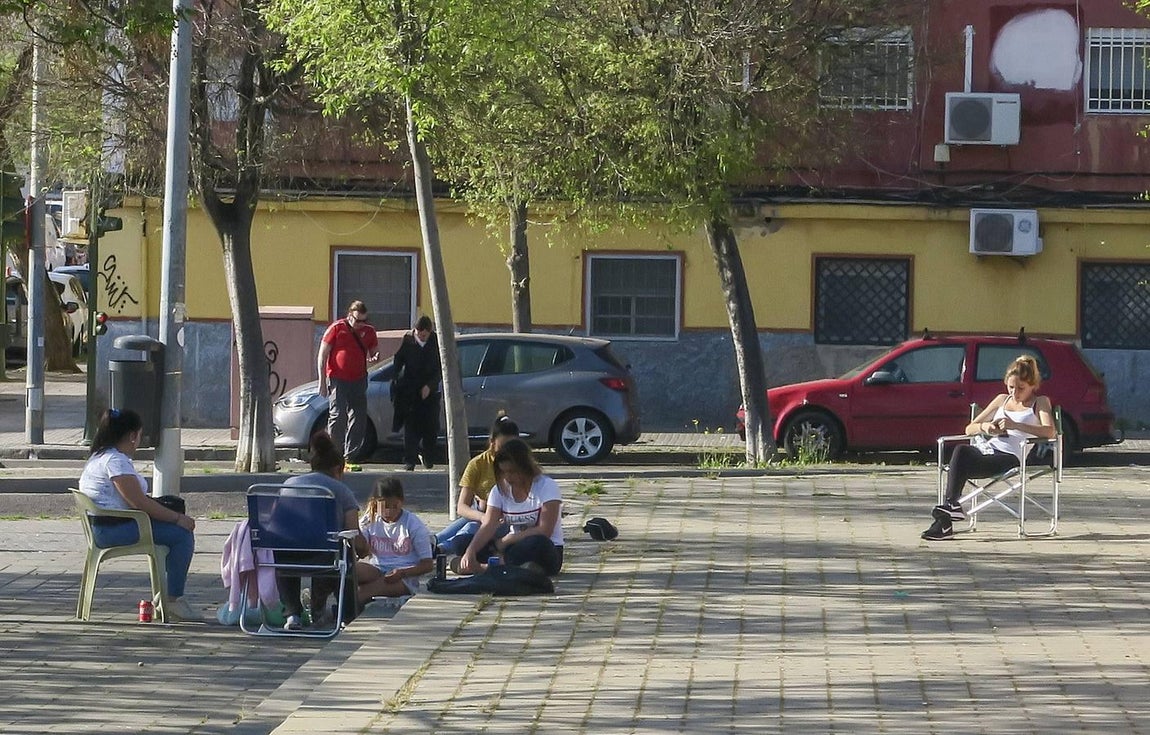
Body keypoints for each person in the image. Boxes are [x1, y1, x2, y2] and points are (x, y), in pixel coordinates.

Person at [78, 408, 199, 622]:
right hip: (113, 530)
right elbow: (138, 502)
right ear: (133, 435)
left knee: (174, 528)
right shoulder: (116, 461)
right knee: (181, 536)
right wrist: (177, 518)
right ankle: (171, 599)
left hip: (105, 526)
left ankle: (167, 594)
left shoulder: (99, 456)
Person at [921, 355, 1056, 541]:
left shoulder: (1039, 402)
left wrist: (1015, 425)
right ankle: (951, 508)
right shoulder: (1001, 400)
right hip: (988, 450)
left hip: (1010, 457)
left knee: (961, 464)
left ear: (1033, 385)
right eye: (1011, 387)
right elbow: (970, 428)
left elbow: (1049, 432)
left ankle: (944, 521)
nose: (1015, 393)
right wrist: (988, 427)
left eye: (1021, 388)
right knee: (961, 450)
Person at [279, 431, 361, 630]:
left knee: (286, 547)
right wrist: (364, 549)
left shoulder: (288, 485)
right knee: (344, 551)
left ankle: (293, 614)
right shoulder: (341, 491)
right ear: (337, 469)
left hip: (286, 556)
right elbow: (354, 533)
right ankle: (348, 613)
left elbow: (279, 521)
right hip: (324, 556)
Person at [459, 438, 564, 577]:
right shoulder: (499, 490)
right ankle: (506, 566)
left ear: (525, 467)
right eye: (504, 472)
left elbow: (544, 530)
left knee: (537, 543)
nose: (508, 477)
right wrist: (470, 551)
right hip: (509, 549)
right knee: (463, 542)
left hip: (545, 549)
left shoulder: (547, 486)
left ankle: (489, 567)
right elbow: (489, 525)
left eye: (512, 471)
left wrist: (508, 539)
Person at [435, 412, 518, 557]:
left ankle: (440, 546)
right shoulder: (477, 464)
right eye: (503, 446)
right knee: (472, 520)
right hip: (484, 516)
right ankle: (434, 543)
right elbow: (462, 507)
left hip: (508, 519)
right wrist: (482, 516)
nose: (507, 451)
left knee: (471, 527)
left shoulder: (521, 464)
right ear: (492, 442)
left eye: (512, 446)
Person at [317, 299, 379, 463]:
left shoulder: (369, 331)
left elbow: (374, 351)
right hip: (337, 379)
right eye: (357, 320)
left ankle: (350, 456)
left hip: (358, 379)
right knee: (338, 416)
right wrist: (322, 382)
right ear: (349, 315)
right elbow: (322, 356)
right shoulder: (337, 328)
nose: (360, 324)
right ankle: (333, 454)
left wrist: (374, 357)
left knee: (359, 418)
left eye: (364, 321)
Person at [356, 478, 434, 602]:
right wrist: (359, 530)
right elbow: (361, 552)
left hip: (404, 577)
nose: (390, 511)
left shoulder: (413, 524)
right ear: (375, 503)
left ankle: (347, 613)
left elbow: (428, 565)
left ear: (401, 502)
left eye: (395, 506)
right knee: (350, 572)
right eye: (385, 506)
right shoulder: (369, 521)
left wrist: (402, 572)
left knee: (363, 592)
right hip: (378, 568)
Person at [391, 314, 441, 471]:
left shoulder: (435, 342)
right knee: (411, 428)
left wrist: (430, 386)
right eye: (419, 333)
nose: (421, 337)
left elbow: (440, 369)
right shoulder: (408, 341)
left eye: (424, 334)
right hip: (410, 392)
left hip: (430, 393)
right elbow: (398, 361)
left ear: (429, 332)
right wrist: (396, 379)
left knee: (431, 427)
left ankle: (428, 457)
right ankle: (410, 460)